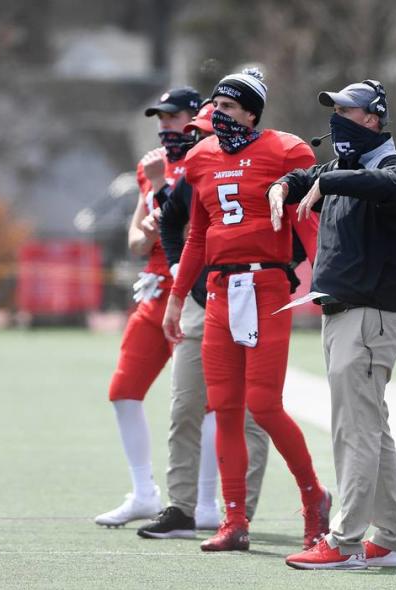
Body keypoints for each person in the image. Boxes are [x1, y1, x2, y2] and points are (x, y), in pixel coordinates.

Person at [162, 68, 331, 553]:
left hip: (265, 287)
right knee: (225, 407)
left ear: (252, 113)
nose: (219, 114)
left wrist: (323, 280)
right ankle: (233, 519)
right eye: (216, 105)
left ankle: (313, 496)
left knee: (264, 404)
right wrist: (176, 298)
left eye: (230, 107)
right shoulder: (200, 157)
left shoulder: (285, 150)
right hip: (218, 288)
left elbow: (306, 221)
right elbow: (196, 234)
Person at [274, 79, 396, 570]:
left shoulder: (391, 166)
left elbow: (390, 185)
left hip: (369, 315)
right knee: (371, 431)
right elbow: (305, 176)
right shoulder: (343, 165)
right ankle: (395, 538)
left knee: (353, 431)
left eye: (347, 112)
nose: (336, 120)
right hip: (344, 312)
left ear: (373, 119)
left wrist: (326, 180)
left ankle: (345, 539)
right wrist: (283, 184)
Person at [136, 101, 272, 539]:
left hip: (254, 295)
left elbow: (290, 222)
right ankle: (180, 507)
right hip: (202, 299)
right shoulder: (197, 170)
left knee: (253, 411)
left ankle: (242, 512)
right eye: (196, 131)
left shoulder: (265, 161)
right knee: (185, 405)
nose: (198, 139)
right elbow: (172, 223)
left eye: (205, 130)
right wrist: (179, 274)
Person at [94, 86, 202, 528]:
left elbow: (200, 228)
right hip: (157, 288)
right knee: (123, 390)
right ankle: (143, 492)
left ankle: (208, 502)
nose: (164, 126)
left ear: (195, 117)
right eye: (159, 118)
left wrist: (162, 193)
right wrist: (157, 211)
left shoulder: (207, 159)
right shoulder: (148, 164)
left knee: (200, 402)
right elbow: (137, 240)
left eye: (172, 117)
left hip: (196, 290)